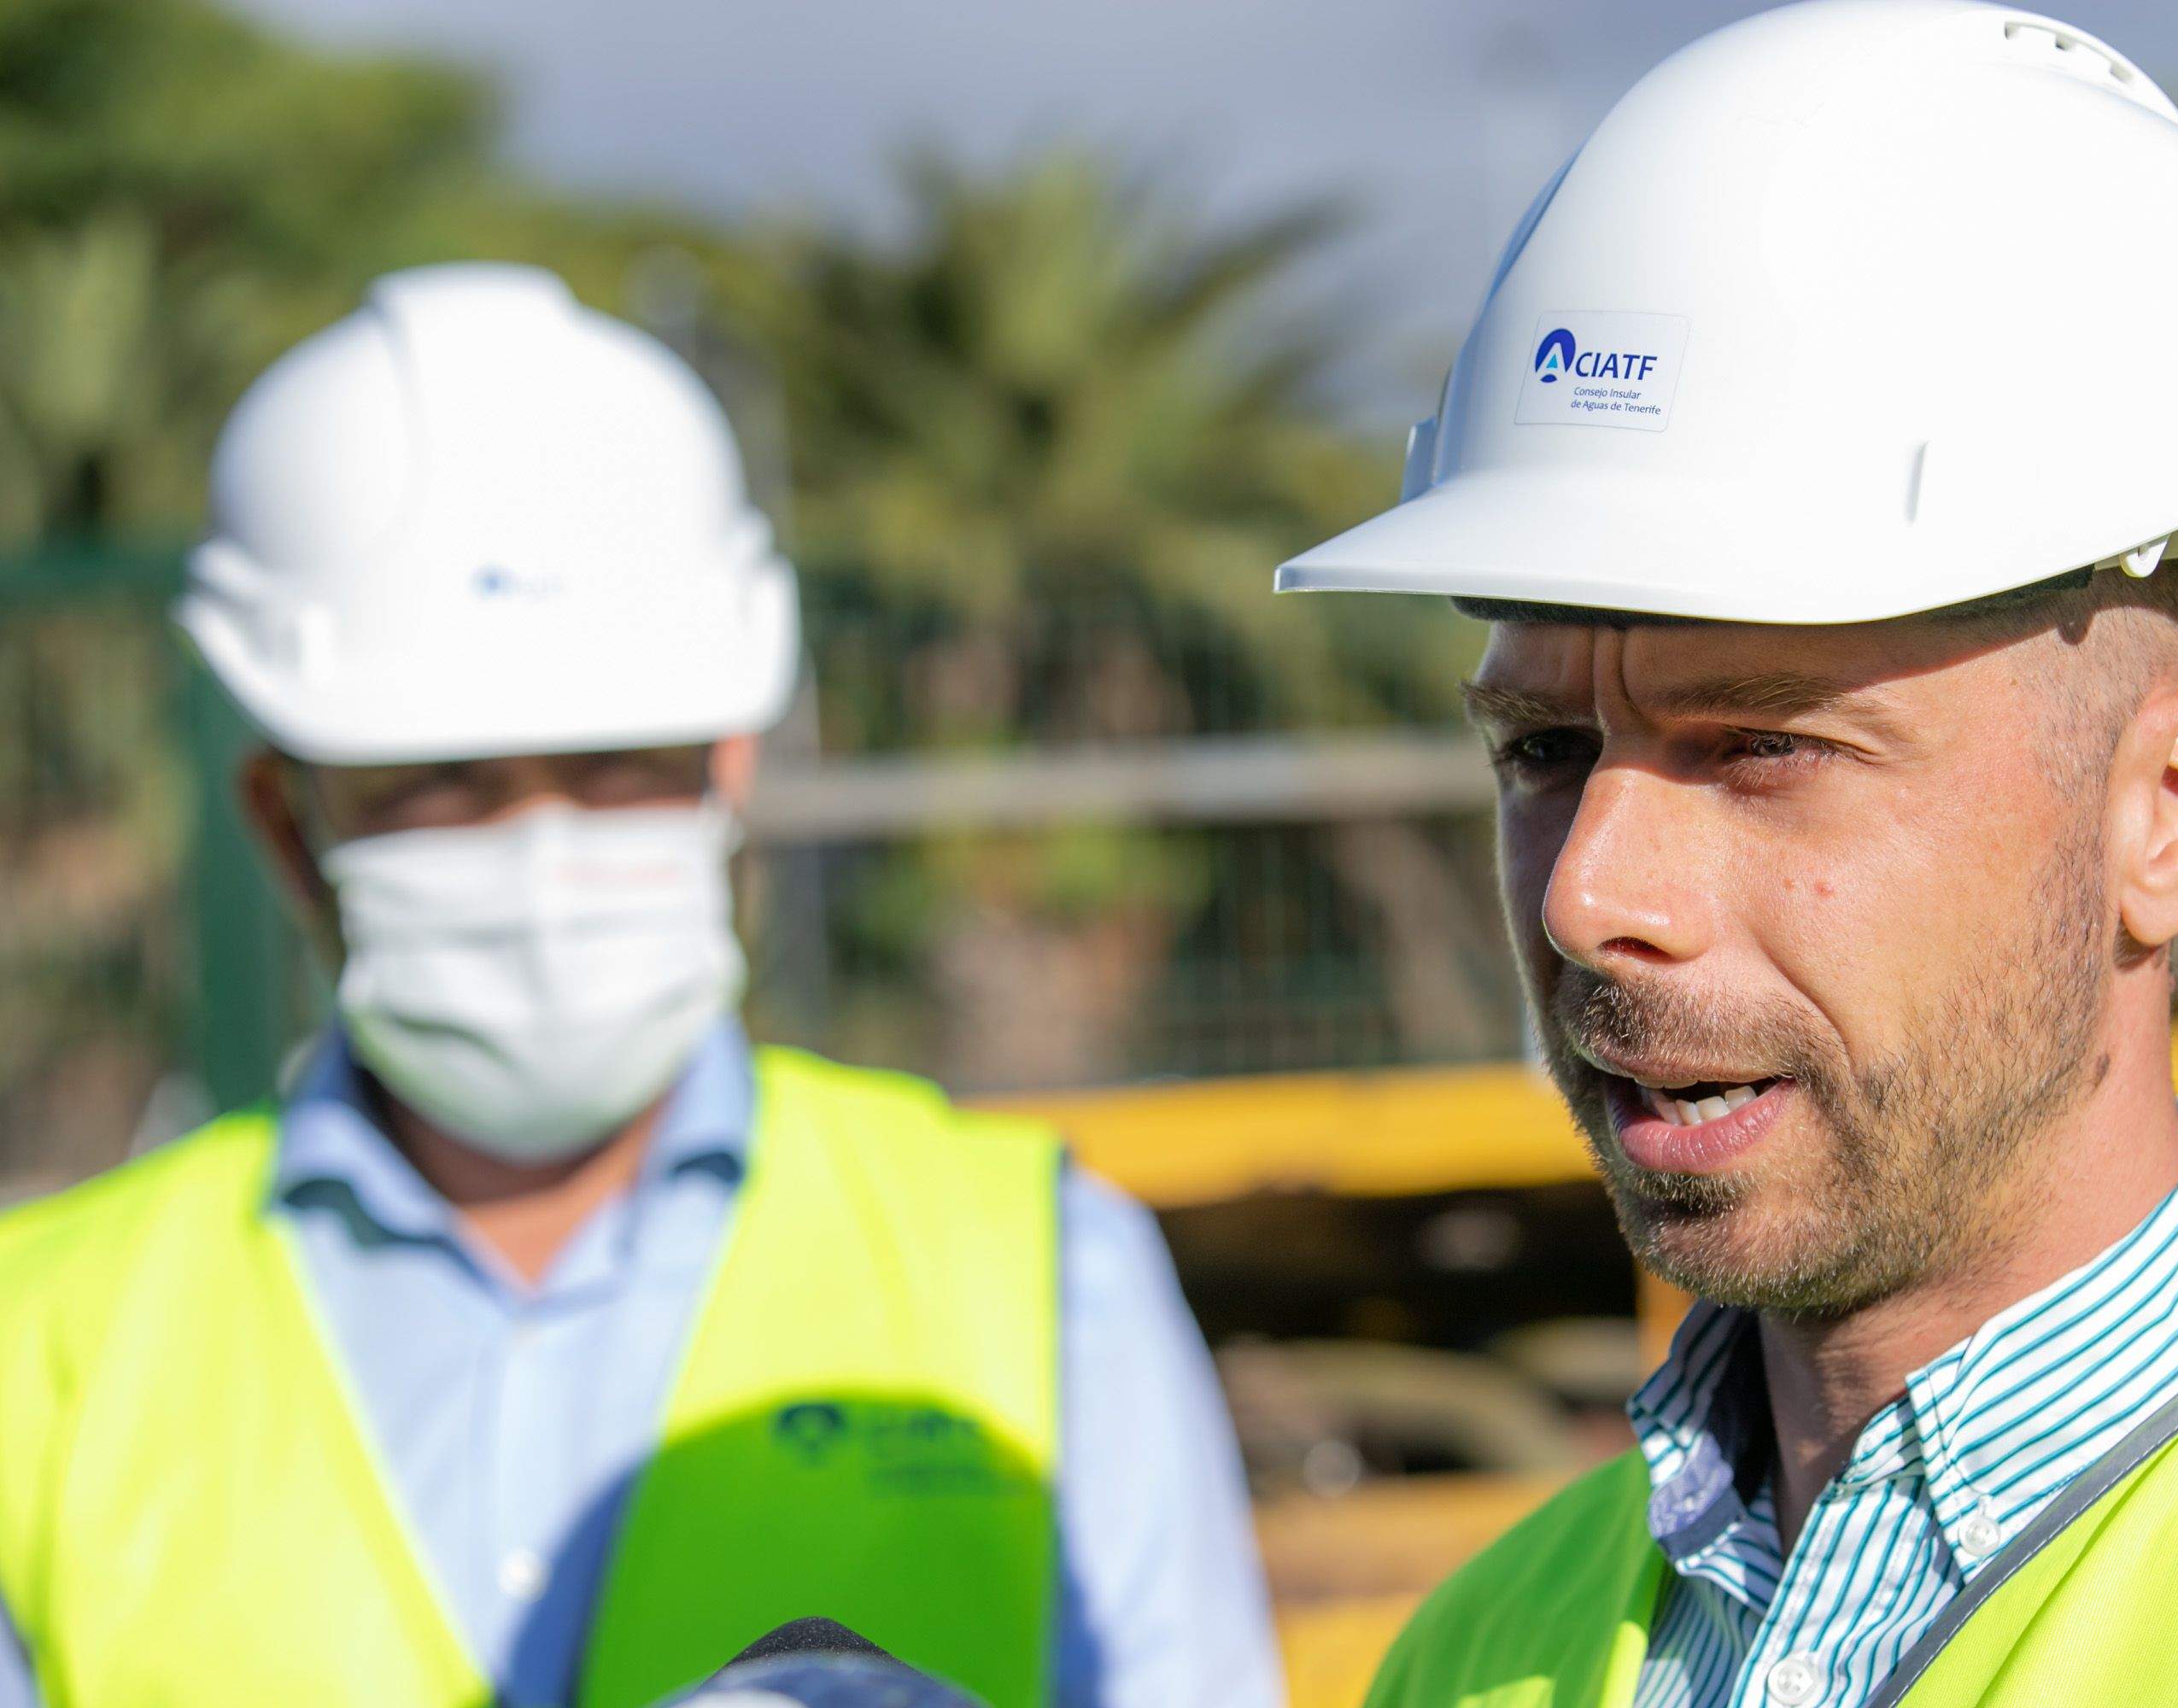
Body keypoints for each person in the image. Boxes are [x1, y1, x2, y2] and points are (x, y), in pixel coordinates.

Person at [1274, 3, 2178, 1705]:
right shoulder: (1475, 1646)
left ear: (2174, 812)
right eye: (1542, 750)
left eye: (1766, 747)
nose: (1591, 895)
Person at [0, 264, 1281, 1708]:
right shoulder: (35, 1343)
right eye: (446, 786)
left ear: (725, 773)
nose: (543, 851)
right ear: (288, 827)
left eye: (617, 768)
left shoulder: (1046, 1267)